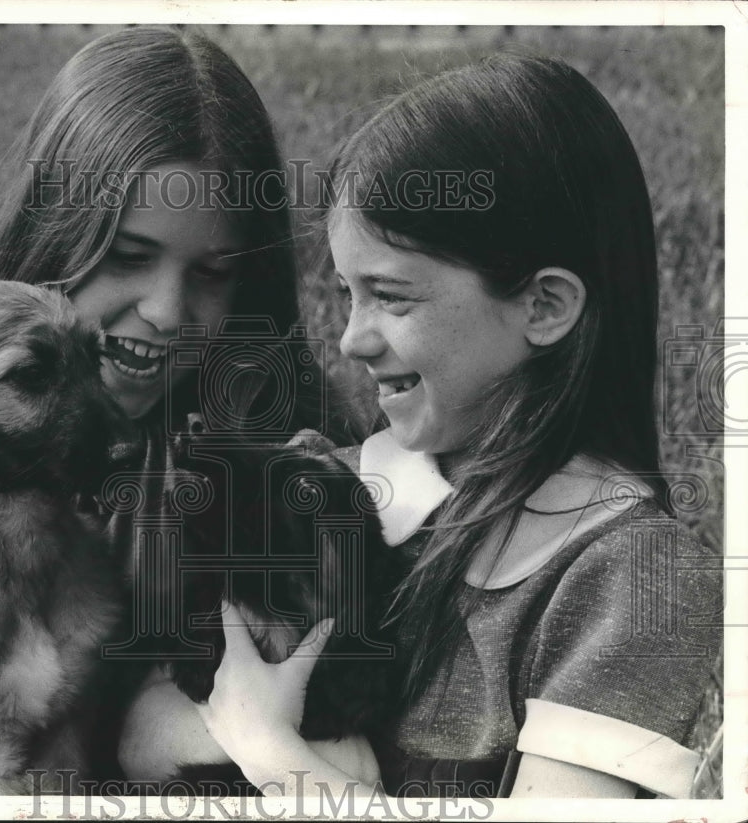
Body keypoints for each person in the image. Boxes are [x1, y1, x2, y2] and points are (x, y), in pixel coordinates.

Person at [119, 53, 722, 799]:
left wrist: (276, 753)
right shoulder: (328, 482)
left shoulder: (629, 576)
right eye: (346, 293)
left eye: (391, 297)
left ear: (543, 306)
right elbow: (138, 730)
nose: (350, 338)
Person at [0, 25, 346, 794]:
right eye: (132, 256)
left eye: (212, 272)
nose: (168, 310)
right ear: (61, 227)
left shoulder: (256, 423)